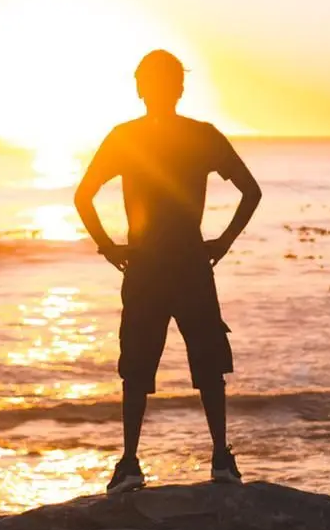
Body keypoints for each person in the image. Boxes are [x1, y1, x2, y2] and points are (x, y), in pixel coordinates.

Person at [74, 49, 262, 494]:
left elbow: (83, 196)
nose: (159, 89)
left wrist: (108, 247)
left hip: (145, 266)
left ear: (144, 88)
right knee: (206, 364)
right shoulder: (201, 135)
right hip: (189, 263)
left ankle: (132, 463)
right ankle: (218, 458)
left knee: (138, 367)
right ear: (178, 87)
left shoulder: (125, 137)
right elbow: (250, 192)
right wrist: (222, 242)